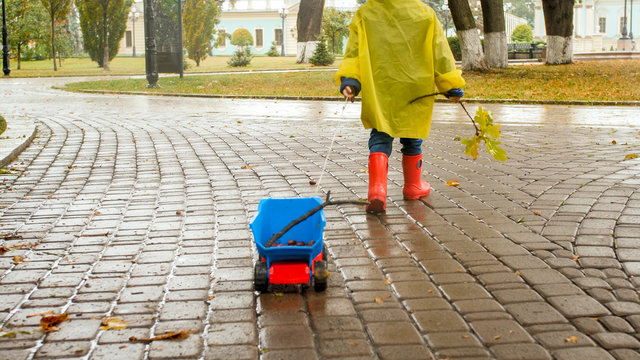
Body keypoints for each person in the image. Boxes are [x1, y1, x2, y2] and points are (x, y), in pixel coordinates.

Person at [335, 0, 465, 213]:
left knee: (380, 133)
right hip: (416, 86)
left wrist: (350, 81)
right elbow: (440, 53)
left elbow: (354, 53)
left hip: (381, 84)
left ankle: (377, 191)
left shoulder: (365, 13)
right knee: (412, 134)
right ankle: (413, 186)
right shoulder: (425, 14)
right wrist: (450, 85)